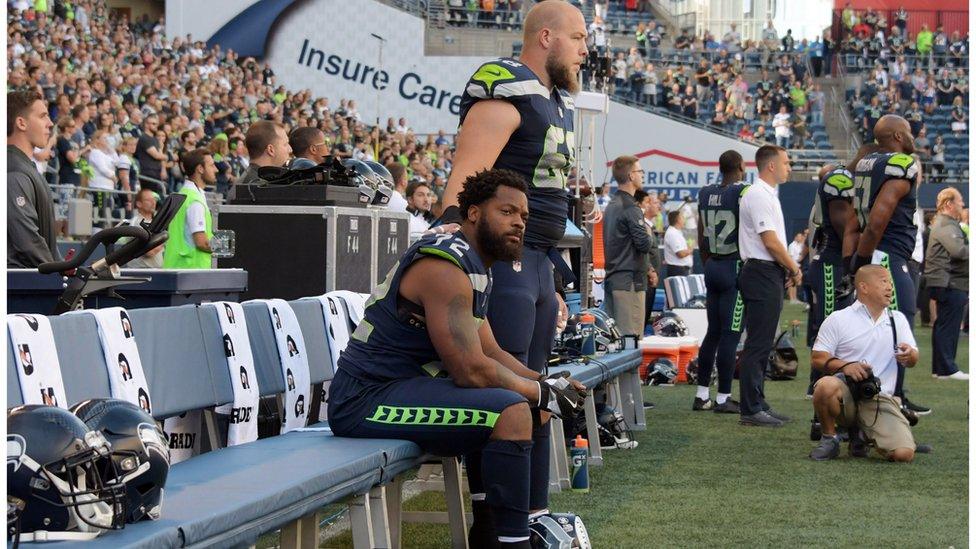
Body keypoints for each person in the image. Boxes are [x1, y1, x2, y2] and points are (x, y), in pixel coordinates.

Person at [327, 170, 586, 549]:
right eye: (507, 211)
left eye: (524, 217)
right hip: (364, 399)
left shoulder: (475, 263)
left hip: (403, 388)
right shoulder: (446, 266)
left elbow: (492, 352)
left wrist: (544, 384)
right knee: (513, 409)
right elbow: (469, 370)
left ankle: (491, 532)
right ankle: (513, 543)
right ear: (475, 213)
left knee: (529, 405)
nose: (518, 223)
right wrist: (537, 391)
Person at [432, 2, 588, 542]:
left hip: (540, 261)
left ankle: (534, 514)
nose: (585, 48)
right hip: (506, 262)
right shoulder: (507, 86)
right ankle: (498, 524)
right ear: (545, 37)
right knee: (507, 389)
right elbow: (465, 176)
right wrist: (456, 247)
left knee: (538, 388)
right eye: (576, 37)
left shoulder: (555, 102)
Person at [848, 115, 929, 415]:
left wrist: (855, 259)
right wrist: (864, 261)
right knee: (897, 327)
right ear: (897, 136)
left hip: (880, 253)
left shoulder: (868, 163)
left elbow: (859, 219)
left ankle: (891, 399)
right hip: (887, 256)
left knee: (887, 327)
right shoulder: (900, 165)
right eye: (907, 131)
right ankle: (890, 404)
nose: (912, 135)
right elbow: (877, 221)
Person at [809, 265, 918, 462]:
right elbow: (817, 357)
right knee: (825, 386)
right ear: (864, 287)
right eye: (883, 281)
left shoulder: (897, 319)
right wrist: (845, 366)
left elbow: (913, 358)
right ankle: (830, 438)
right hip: (847, 393)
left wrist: (909, 356)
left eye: (890, 282)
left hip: (880, 398)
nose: (890, 287)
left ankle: (863, 436)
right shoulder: (839, 318)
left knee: (903, 455)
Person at [736, 145, 800, 427]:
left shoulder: (767, 195)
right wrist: (794, 267)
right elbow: (770, 241)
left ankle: (757, 401)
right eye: (786, 163)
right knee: (758, 343)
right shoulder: (758, 194)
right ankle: (750, 408)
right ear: (771, 166)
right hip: (761, 271)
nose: (790, 168)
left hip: (766, 271)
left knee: (763, 342)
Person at [694, 150, 749, 413]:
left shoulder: (705, 192)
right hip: (733, 264)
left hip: (712, 263)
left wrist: (708, 262)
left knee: (713, 333)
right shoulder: (743, 192)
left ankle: (701, 393)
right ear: (740, 166)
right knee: (730, 334)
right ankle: (723, 397)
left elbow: (701, 235)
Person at [602, 156, 655, 337]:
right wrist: (647, 226)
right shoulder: (630, 207)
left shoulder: (612, 204)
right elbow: (645, 244)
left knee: (617, 342)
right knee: (630, 340)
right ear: (631, 175)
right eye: (640, 171)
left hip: (615, 279)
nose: (642, 175)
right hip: (629, 283)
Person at [8, 89, 59, 268]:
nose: (50, 123)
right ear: (21, 123)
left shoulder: (22, 167)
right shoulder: (13, 170)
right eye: (43, 116)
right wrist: (56, 272)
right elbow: (26, 241)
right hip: (20, 288)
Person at [924, 188, 968, 380]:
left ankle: (940, 368)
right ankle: (947, 369)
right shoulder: (945, 224)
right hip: (950, 281)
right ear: (949, 203)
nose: (963, 205)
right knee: (948, 325)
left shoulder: (945, 223)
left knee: (944, 324)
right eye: (960, 201)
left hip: (947, 280)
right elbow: (958, 251)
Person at [163, 148, 216, 269]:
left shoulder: (185, 194)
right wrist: (227, 248)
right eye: (212, 165)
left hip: (181, 269)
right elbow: (201, 242)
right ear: (200, 169)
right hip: (191, 271)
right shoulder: (194, 201)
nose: (216, 169)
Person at [231, 121, 292, 199]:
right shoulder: (255, 188)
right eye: (285, 144)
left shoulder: (252, 183)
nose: (290, 150)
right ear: (271, 150)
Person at [124, 189, 164, 269]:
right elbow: (149, 252)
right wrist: (161, 241)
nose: (153, 202)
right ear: (139, 204)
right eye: (148, 200)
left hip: (156, 271)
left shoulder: (155, 222)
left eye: (154, 199)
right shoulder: (136, 223)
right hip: (141, 273)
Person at [134, 113, 166, 195]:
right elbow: (157, 155)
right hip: (147, 173)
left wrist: (163, 169)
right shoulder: (144, 138)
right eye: (153, 124)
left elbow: (160, 155)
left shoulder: (154, 139)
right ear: (146, 125)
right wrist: (167, 156)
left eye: (156, 124)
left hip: (156, 173)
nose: (156, 126)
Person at [663, 210, 693, 278]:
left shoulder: (676, 232)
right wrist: (690, 250)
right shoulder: (672, 233)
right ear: (678, 219)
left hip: (681, 270)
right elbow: (680, 254)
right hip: (678, 271)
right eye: (682, 217)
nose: (684, 219)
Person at [787, 231, 807, 303]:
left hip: (799, 266)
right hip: (793, 266)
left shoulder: (800, 245)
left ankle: (795, 298)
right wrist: (793, 266)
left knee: (796, 282)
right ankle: (791, 299)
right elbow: (790, 257)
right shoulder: (792, 245)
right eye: (798, 236)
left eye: (801, 236)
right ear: (795, 237)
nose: (800, 238)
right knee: (791, 282)